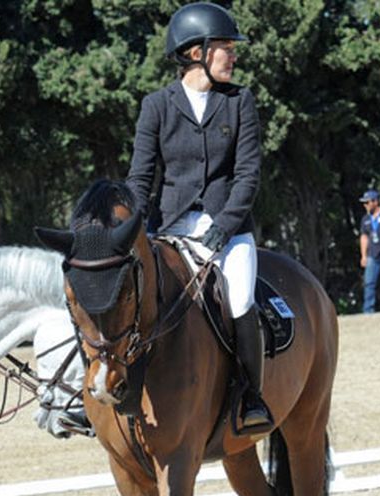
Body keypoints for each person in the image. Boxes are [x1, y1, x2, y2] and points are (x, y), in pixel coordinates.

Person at [125, 2, 271, 433]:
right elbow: (140, 177)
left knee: (241, 299)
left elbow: (247, 175)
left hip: (228, 230)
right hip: (171, 230)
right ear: (196, 53)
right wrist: (129, 231)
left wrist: (225, 226)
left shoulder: (239, 101)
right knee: (132, 299)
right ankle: (122, 392)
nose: (233, 55)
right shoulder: (156, 106)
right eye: (225, 47)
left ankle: (250, 396)